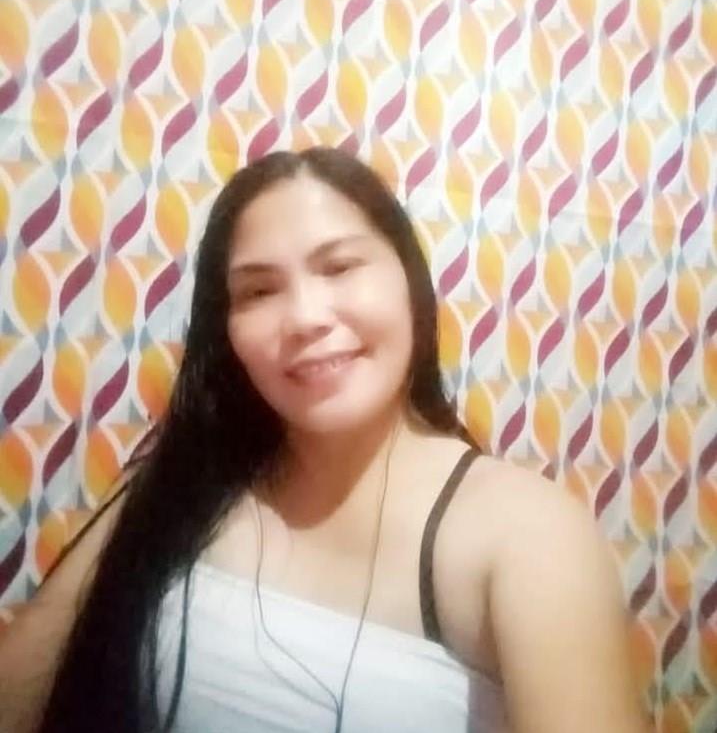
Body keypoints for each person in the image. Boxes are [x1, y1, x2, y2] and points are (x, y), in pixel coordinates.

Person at [0, 147, 651, 733]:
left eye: (339, 267)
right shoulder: (179, 487)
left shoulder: (525, 533)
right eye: (259, 290)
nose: (306, 318)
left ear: (410, 285)